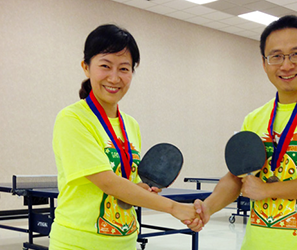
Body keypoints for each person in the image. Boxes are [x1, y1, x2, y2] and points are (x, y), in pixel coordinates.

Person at [187, 15, 297, 249]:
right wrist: (207, 207)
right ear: (264, 63)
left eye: (296, 54)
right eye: (276, 56)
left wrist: (267, 189)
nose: (286, 65)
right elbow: (236, 178)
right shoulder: (255, 117)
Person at [50, 24, 197, 250]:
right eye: (105, 66)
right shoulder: (72, 118)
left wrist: (139, 188)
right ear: (86, 67)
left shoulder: (131, 125)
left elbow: (125, 181)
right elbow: (107, 182)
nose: (114, 78)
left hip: (125, 241)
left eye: (124, 69)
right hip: (78, 243)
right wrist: (173, 207)